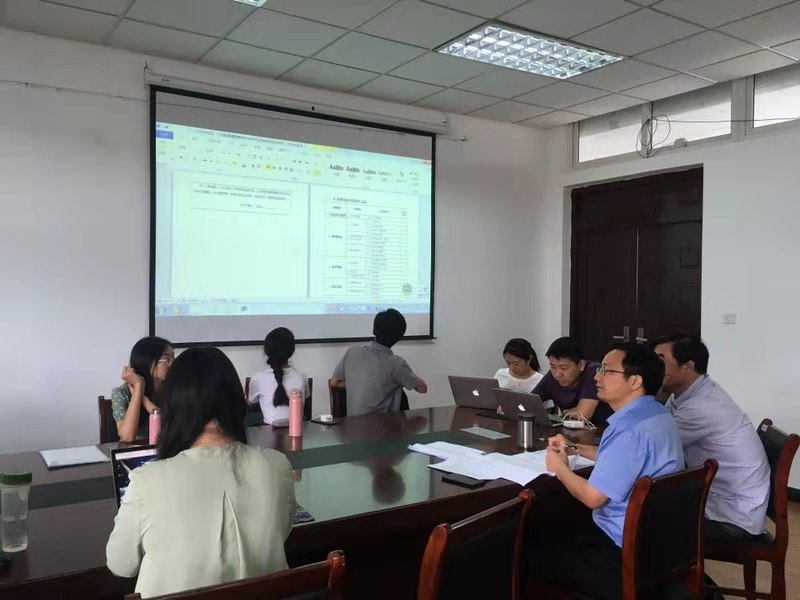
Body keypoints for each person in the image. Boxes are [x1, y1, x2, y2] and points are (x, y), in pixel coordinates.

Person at [106, 347, 295, 598]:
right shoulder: (277, 466)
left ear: (173, 407)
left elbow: (121, 564)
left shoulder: (146, 481)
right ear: (236, 400)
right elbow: (282, 531)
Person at [529, 343, 684, 600]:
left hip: (619, 552)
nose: (596, 377)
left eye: (606, 371)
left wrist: (560, 468)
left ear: (634, 381)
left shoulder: (627, 428)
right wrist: (575, 448)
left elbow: (593, 498)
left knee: (524, 542)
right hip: (658, 541)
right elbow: (627, 459)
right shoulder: (657, 414)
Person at [653, 333, 770, 542]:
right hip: (715, 496)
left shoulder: (703, 406)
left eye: (660, 361)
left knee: (640, 516)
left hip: (731, 514)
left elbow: (652, 447)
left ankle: (673, 565)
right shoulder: (684, 393)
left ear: (688, 366)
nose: (652, 367)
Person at [331, 308, 427, 416]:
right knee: (421, 419)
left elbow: (334, 382)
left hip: (352, 425)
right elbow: (422, 388)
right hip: (383, 425)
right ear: (399, 336)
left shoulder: (352, 352)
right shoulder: (397, 364)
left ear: (374, 330)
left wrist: (357, 383)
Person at [532, 336, 612, 424]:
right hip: (571, 428)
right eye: (553, 367)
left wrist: (567, 412)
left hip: (605, 428)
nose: (557, 374)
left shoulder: (593, 372)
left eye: (563, 368)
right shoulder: (552, 375)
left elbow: (583, 415)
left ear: (581, 365)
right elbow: (528, 402)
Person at [111, 336, 173, 442]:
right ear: (148, 361)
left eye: (173, 357)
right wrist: (138, 387)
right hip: (135, 450)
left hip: (166, 448)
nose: (172, 363)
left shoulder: (174, 389)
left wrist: (144, 400)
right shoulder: (121, 393)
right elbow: (128, 436)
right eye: (167, 359)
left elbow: (173, 426)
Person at [248, 327, 309, 425]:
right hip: (297, 430)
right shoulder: (301, 378)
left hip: (268, 432)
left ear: (267, 350)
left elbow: (250, 403)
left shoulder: (257, 379)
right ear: (292, 351)